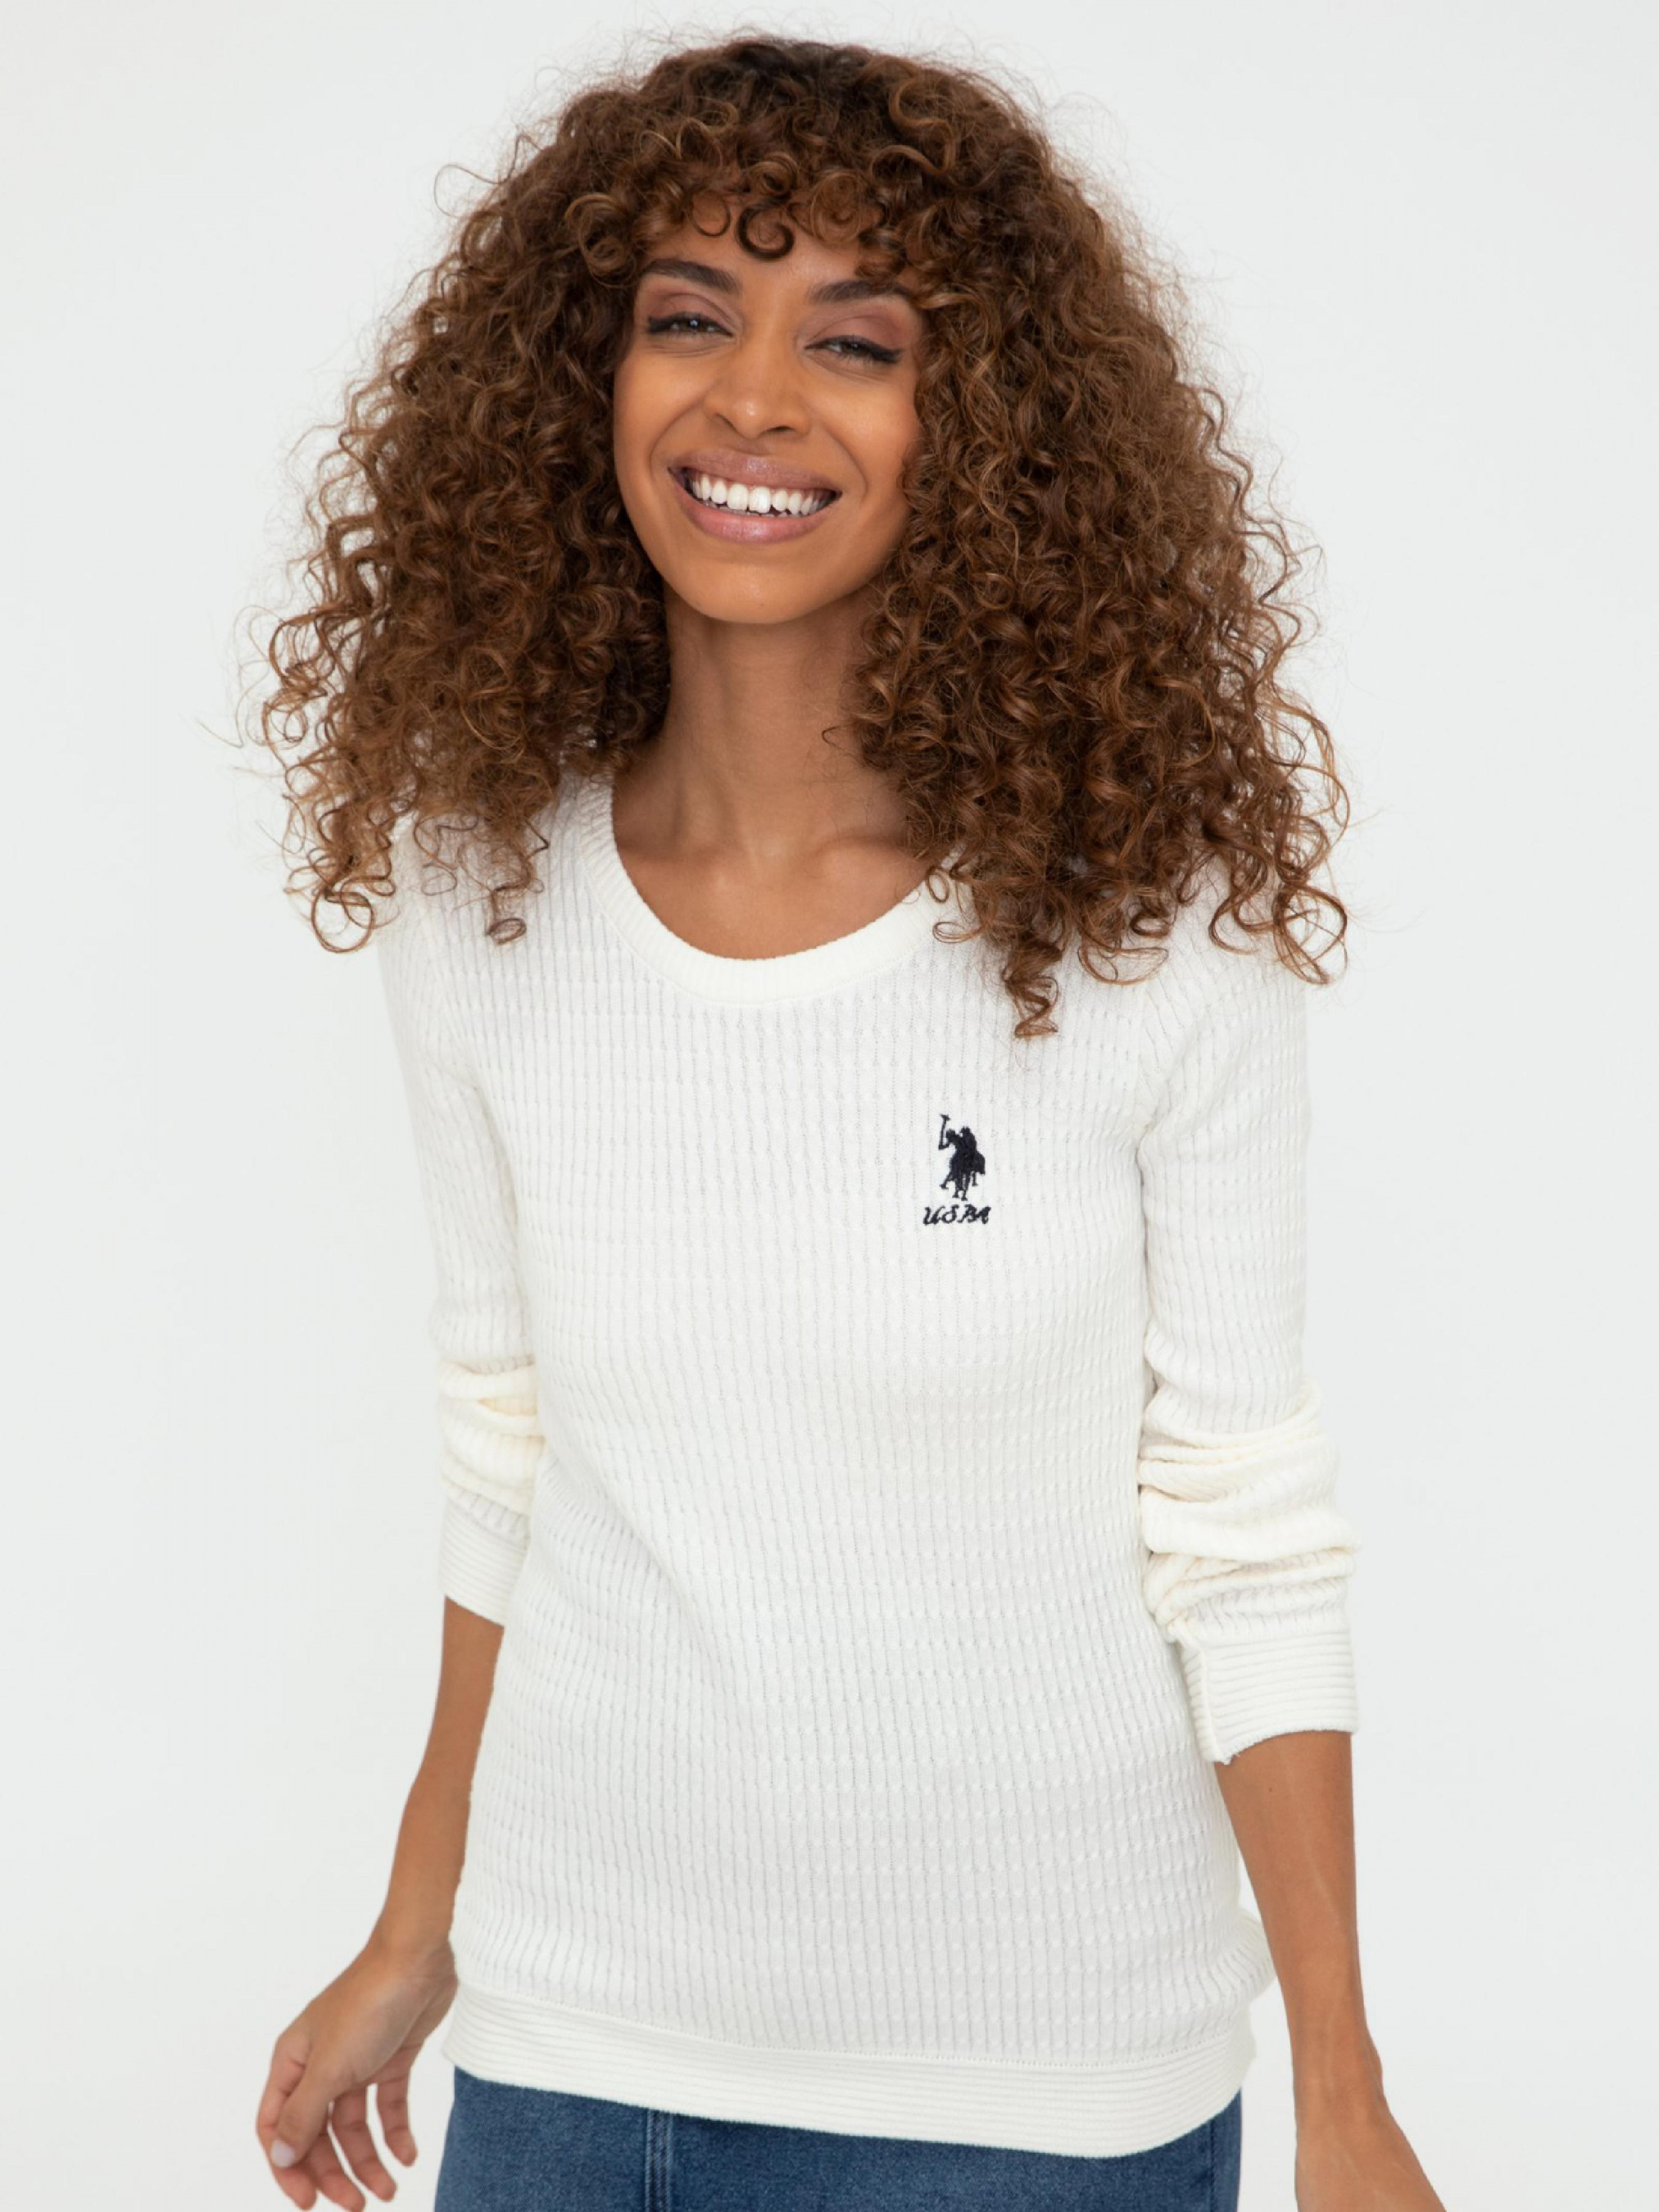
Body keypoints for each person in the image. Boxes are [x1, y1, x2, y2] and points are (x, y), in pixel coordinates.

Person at [249, 35, 1446, 2212]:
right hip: (576, 2063)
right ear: (581, 376)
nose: (752, 401)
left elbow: (1242, 1521)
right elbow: (510, 1448)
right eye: (688, 314)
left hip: (1041, 2104)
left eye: (856, 343)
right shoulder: (478, 893)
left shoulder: (1143, 929)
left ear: (981, 428)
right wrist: (423, 1928)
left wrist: (1343, 2097)